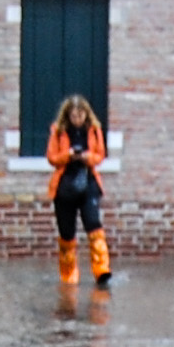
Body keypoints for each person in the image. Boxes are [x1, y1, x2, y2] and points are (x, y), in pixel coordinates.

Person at [46, 92, 113, 288]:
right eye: (73, 116)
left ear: (86, 114)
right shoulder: (58, 130)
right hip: (64, 186)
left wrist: (87, 157)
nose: (77, 120)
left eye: (80, 115)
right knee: (67, 234)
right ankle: (69, 275)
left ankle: (102, 270)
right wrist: (67, 155)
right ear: (67, 116)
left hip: (88, 183)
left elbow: (100, 155)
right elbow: (52, 157)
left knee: (93, 224)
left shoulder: (94, 130)